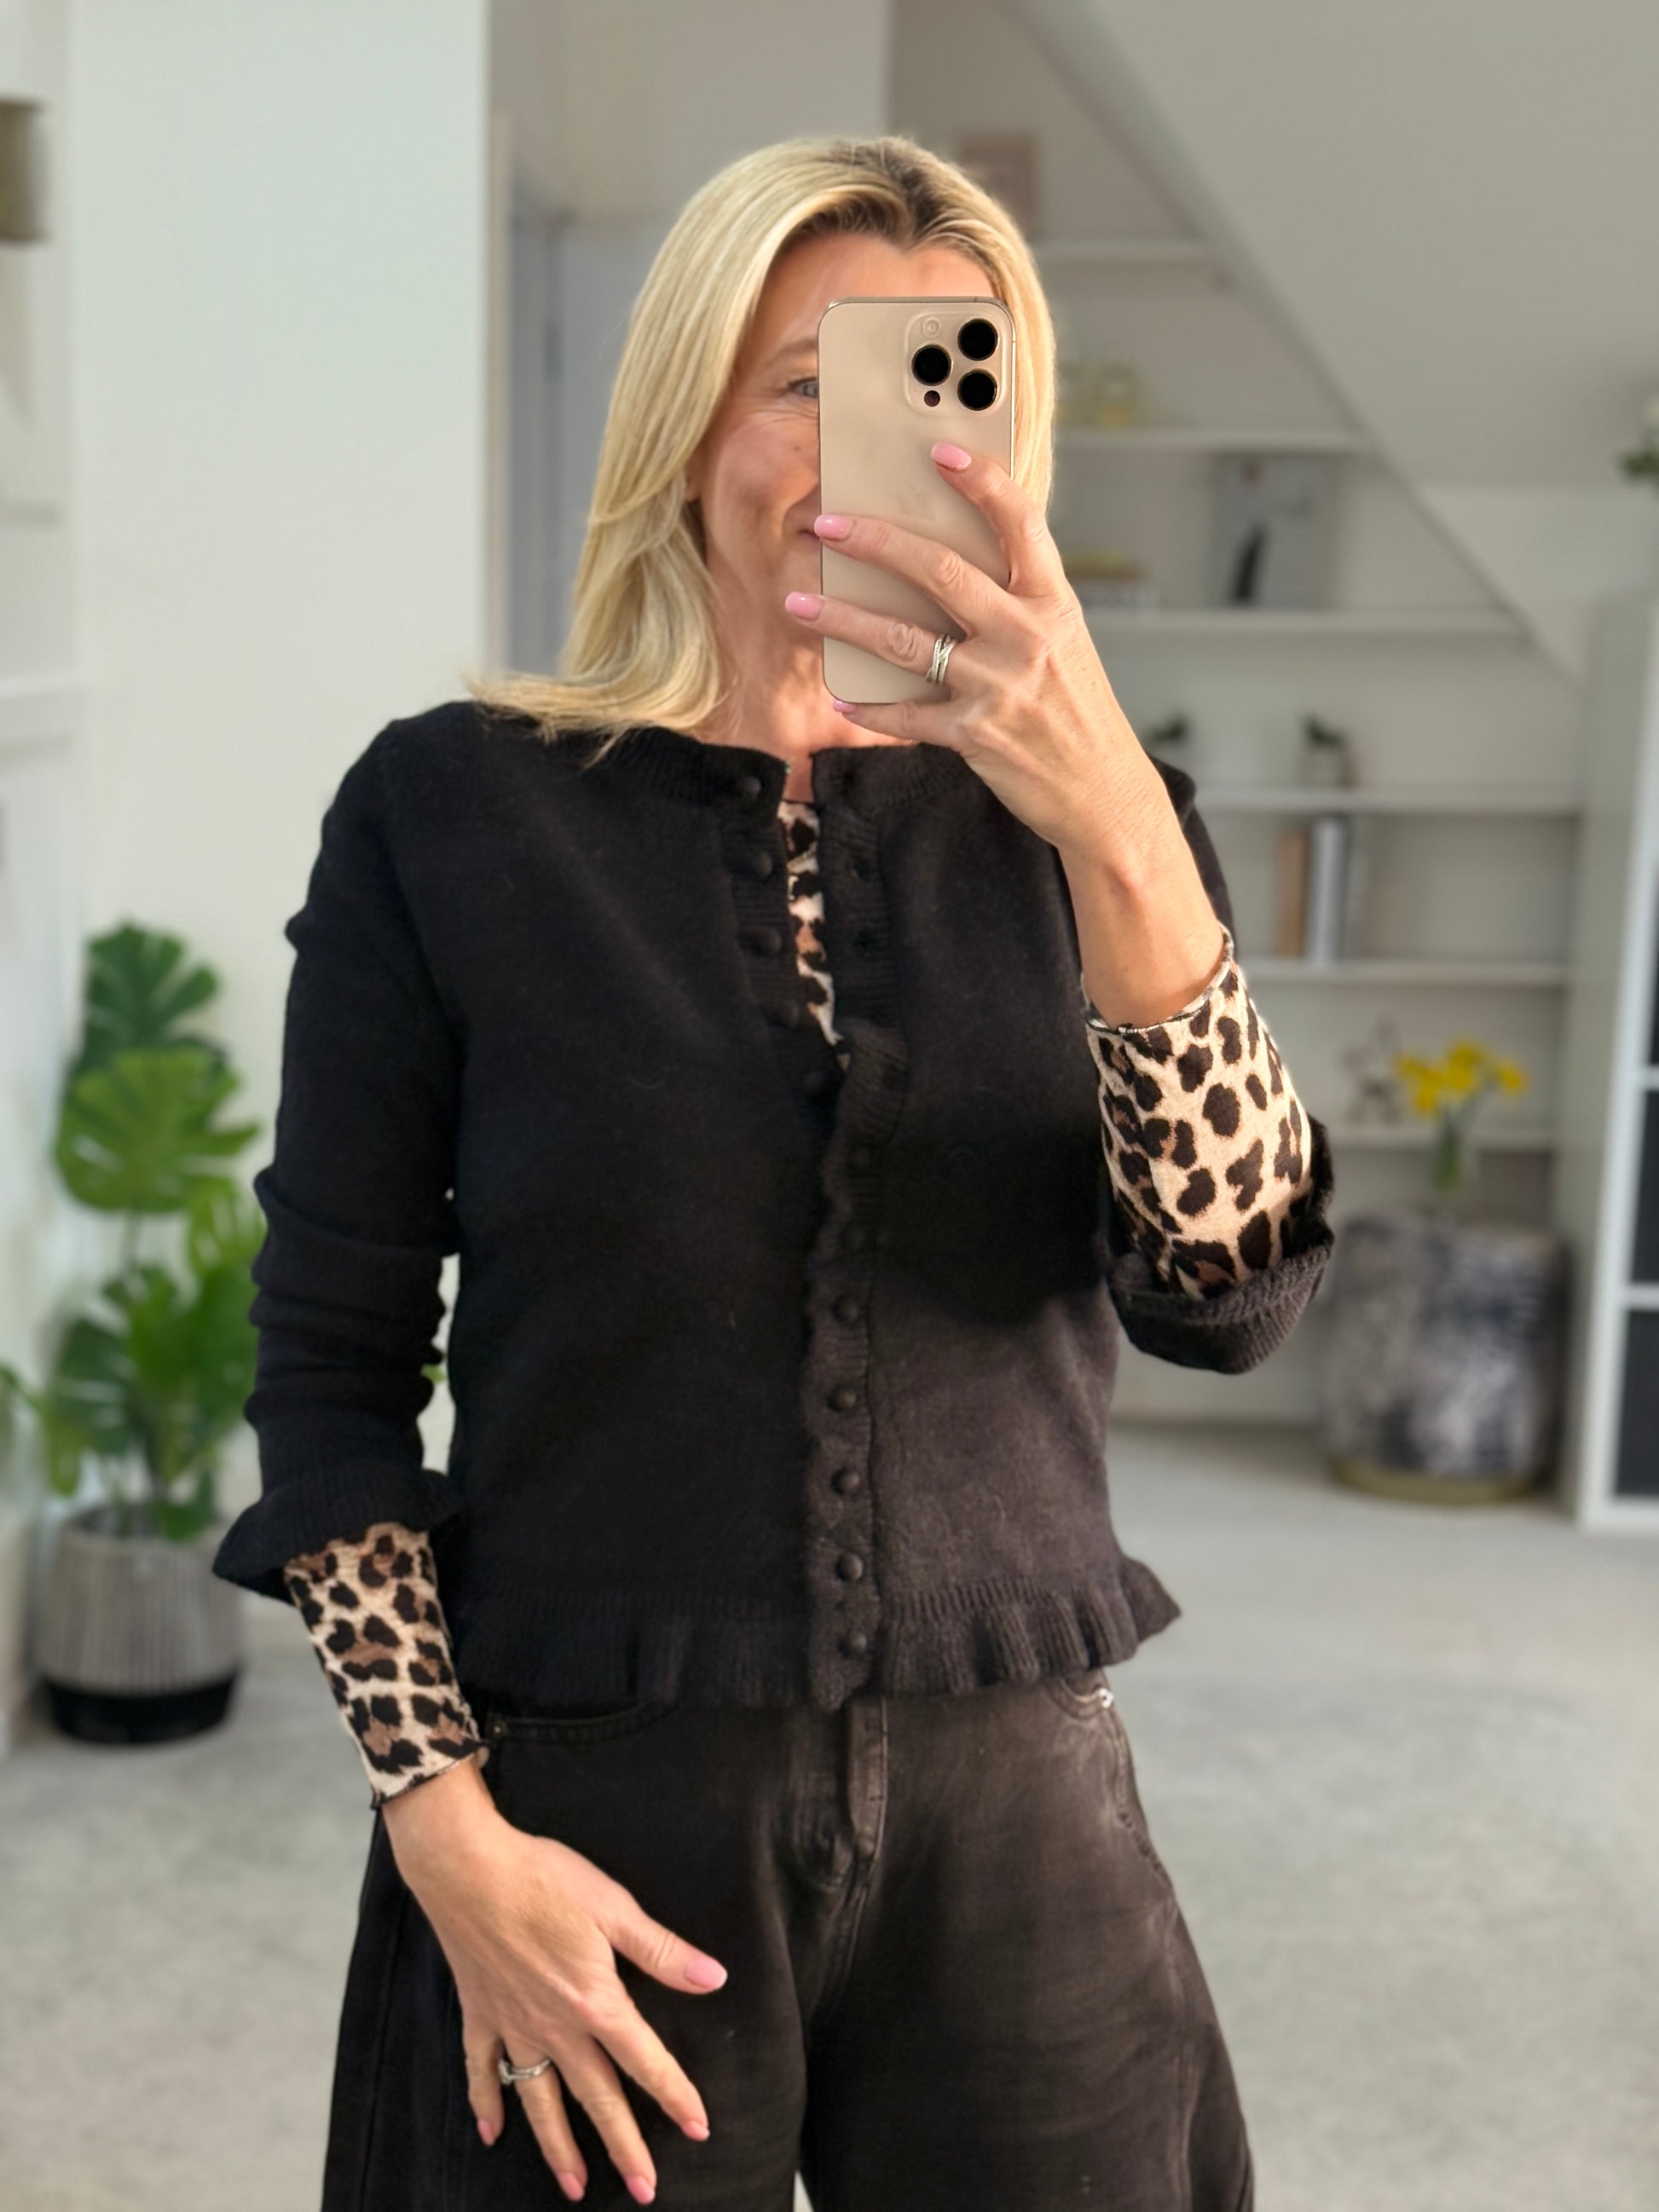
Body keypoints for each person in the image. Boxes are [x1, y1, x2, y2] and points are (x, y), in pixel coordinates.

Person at [214, 134, 1335, 2212]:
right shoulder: (453, 815)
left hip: (1019, 1804)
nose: (867, 451)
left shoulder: (1099, 825)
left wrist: (1111, 820)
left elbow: (1233, 1292)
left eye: (938, 386)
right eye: (804, 382)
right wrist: (444, 1835)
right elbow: (331, 1360)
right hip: (590, 1808)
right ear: (684, 421)